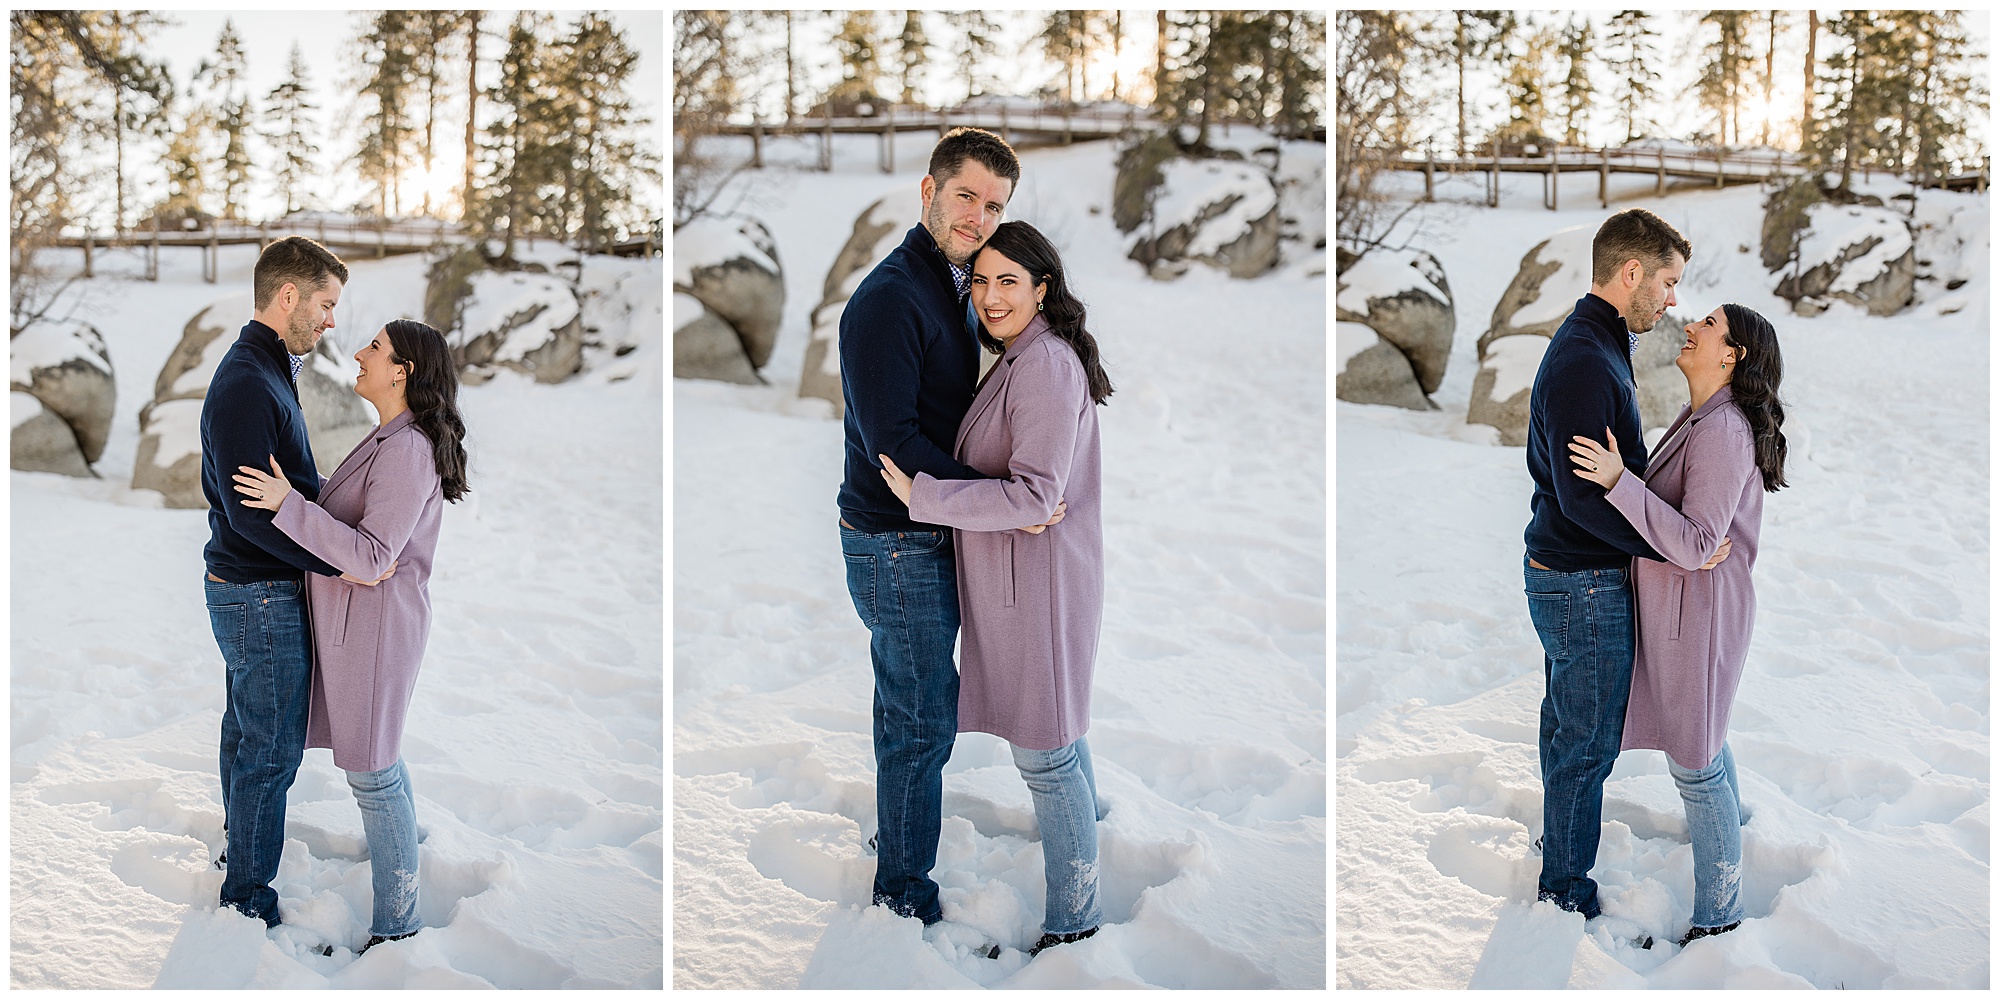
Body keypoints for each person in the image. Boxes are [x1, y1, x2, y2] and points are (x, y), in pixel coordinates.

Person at [837, 127, 1062, 930]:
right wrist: (1005, 495)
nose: (978, 215)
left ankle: (894, 833)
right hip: (896, 539)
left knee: (907, 704)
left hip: (932, 528)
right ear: (927, 192)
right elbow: (892, 442)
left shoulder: (954, 285)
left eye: (995, 203)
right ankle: (902, 893)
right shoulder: (890, 299)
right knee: (923, 713)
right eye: (966, 195)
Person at [878, 220, 1111, 957]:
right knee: (1059, 735)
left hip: (1037, 588)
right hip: (1029, 579)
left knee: (1046, 752)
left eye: (1008, 280)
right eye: (980, 280)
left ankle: (1074, 921)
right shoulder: (1022, 355)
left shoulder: (1043, 365)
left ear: (1043, 288)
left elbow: (1036, 498)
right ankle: (1093, 831)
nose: (990, 295)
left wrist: (927, 496)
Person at [1521, 208, 1732, 920]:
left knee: (1566, 728)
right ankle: (1564, 893)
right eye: (1668, 282)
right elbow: (1585, 498)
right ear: (1631, 272)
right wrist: (1671, 544)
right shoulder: (1586, 358)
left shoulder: (1597, 343)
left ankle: (1559, 846)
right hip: (1580, 583)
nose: (1673, 301)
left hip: (1565, 575)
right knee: (1585, 743)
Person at [234, 319, 469, 954]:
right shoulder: (390, 436)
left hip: (376, 632)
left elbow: (369, 557)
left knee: (373, 769)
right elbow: (367, 549)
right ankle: (398, 885)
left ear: (404, 371)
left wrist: (287, 503)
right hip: (359, 626)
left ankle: (397, 926)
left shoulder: (408, 450)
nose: (359, 355)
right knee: (377, 760)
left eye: (375, 349)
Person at [1567, 303, 1785, 948]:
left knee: (1695, 761)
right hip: (1687, 610)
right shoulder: (1703, 417)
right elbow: (1691, 532)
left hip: (1702, 617)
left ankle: (1719, 915)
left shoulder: (1723, 430)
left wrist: (1616, 483)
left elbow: (1694, 543)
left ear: (1732, 354)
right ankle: (1735, 829)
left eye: (1709, 322)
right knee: (1705, 737)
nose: (1690, 322)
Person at [202, 235, 361, 927]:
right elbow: (248, 514)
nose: (331, 321)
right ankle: (246, 900)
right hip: (259, 594)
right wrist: (338, 559)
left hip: (249, 590)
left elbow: (285, 488)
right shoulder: (247, 381)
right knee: (269, 750)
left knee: (245, 730)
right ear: (288, 296)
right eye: (325, 305)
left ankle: (241, 850)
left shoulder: (266, 368)